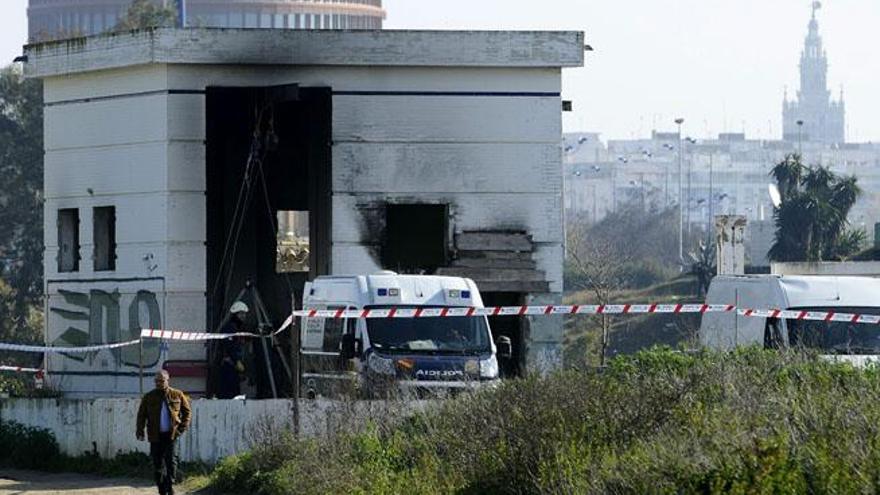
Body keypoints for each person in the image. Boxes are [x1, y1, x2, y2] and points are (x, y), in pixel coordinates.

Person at [136, 370, 191, 495]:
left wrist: (181, 428)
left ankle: (169, 485)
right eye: (156, 381)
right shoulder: (149, 396)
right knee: (157, 463)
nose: (159, 383)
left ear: (168, 380)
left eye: (161, 381)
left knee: (171, 462)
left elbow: (187, 412)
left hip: (171, 435)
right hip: (155, 435)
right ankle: (161, 489)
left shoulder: (177, 394)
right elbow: (141, 415)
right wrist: (140, 431)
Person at [218, 301, 248, 399]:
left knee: (235, 392)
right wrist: (236, 361)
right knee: (229, 393)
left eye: (244, 314)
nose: (243, 316)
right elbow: (229, 346)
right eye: (241, 314)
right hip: (228, 366)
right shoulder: (229, 328)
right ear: (235, 314)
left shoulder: (237, 328)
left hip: (234, 367)